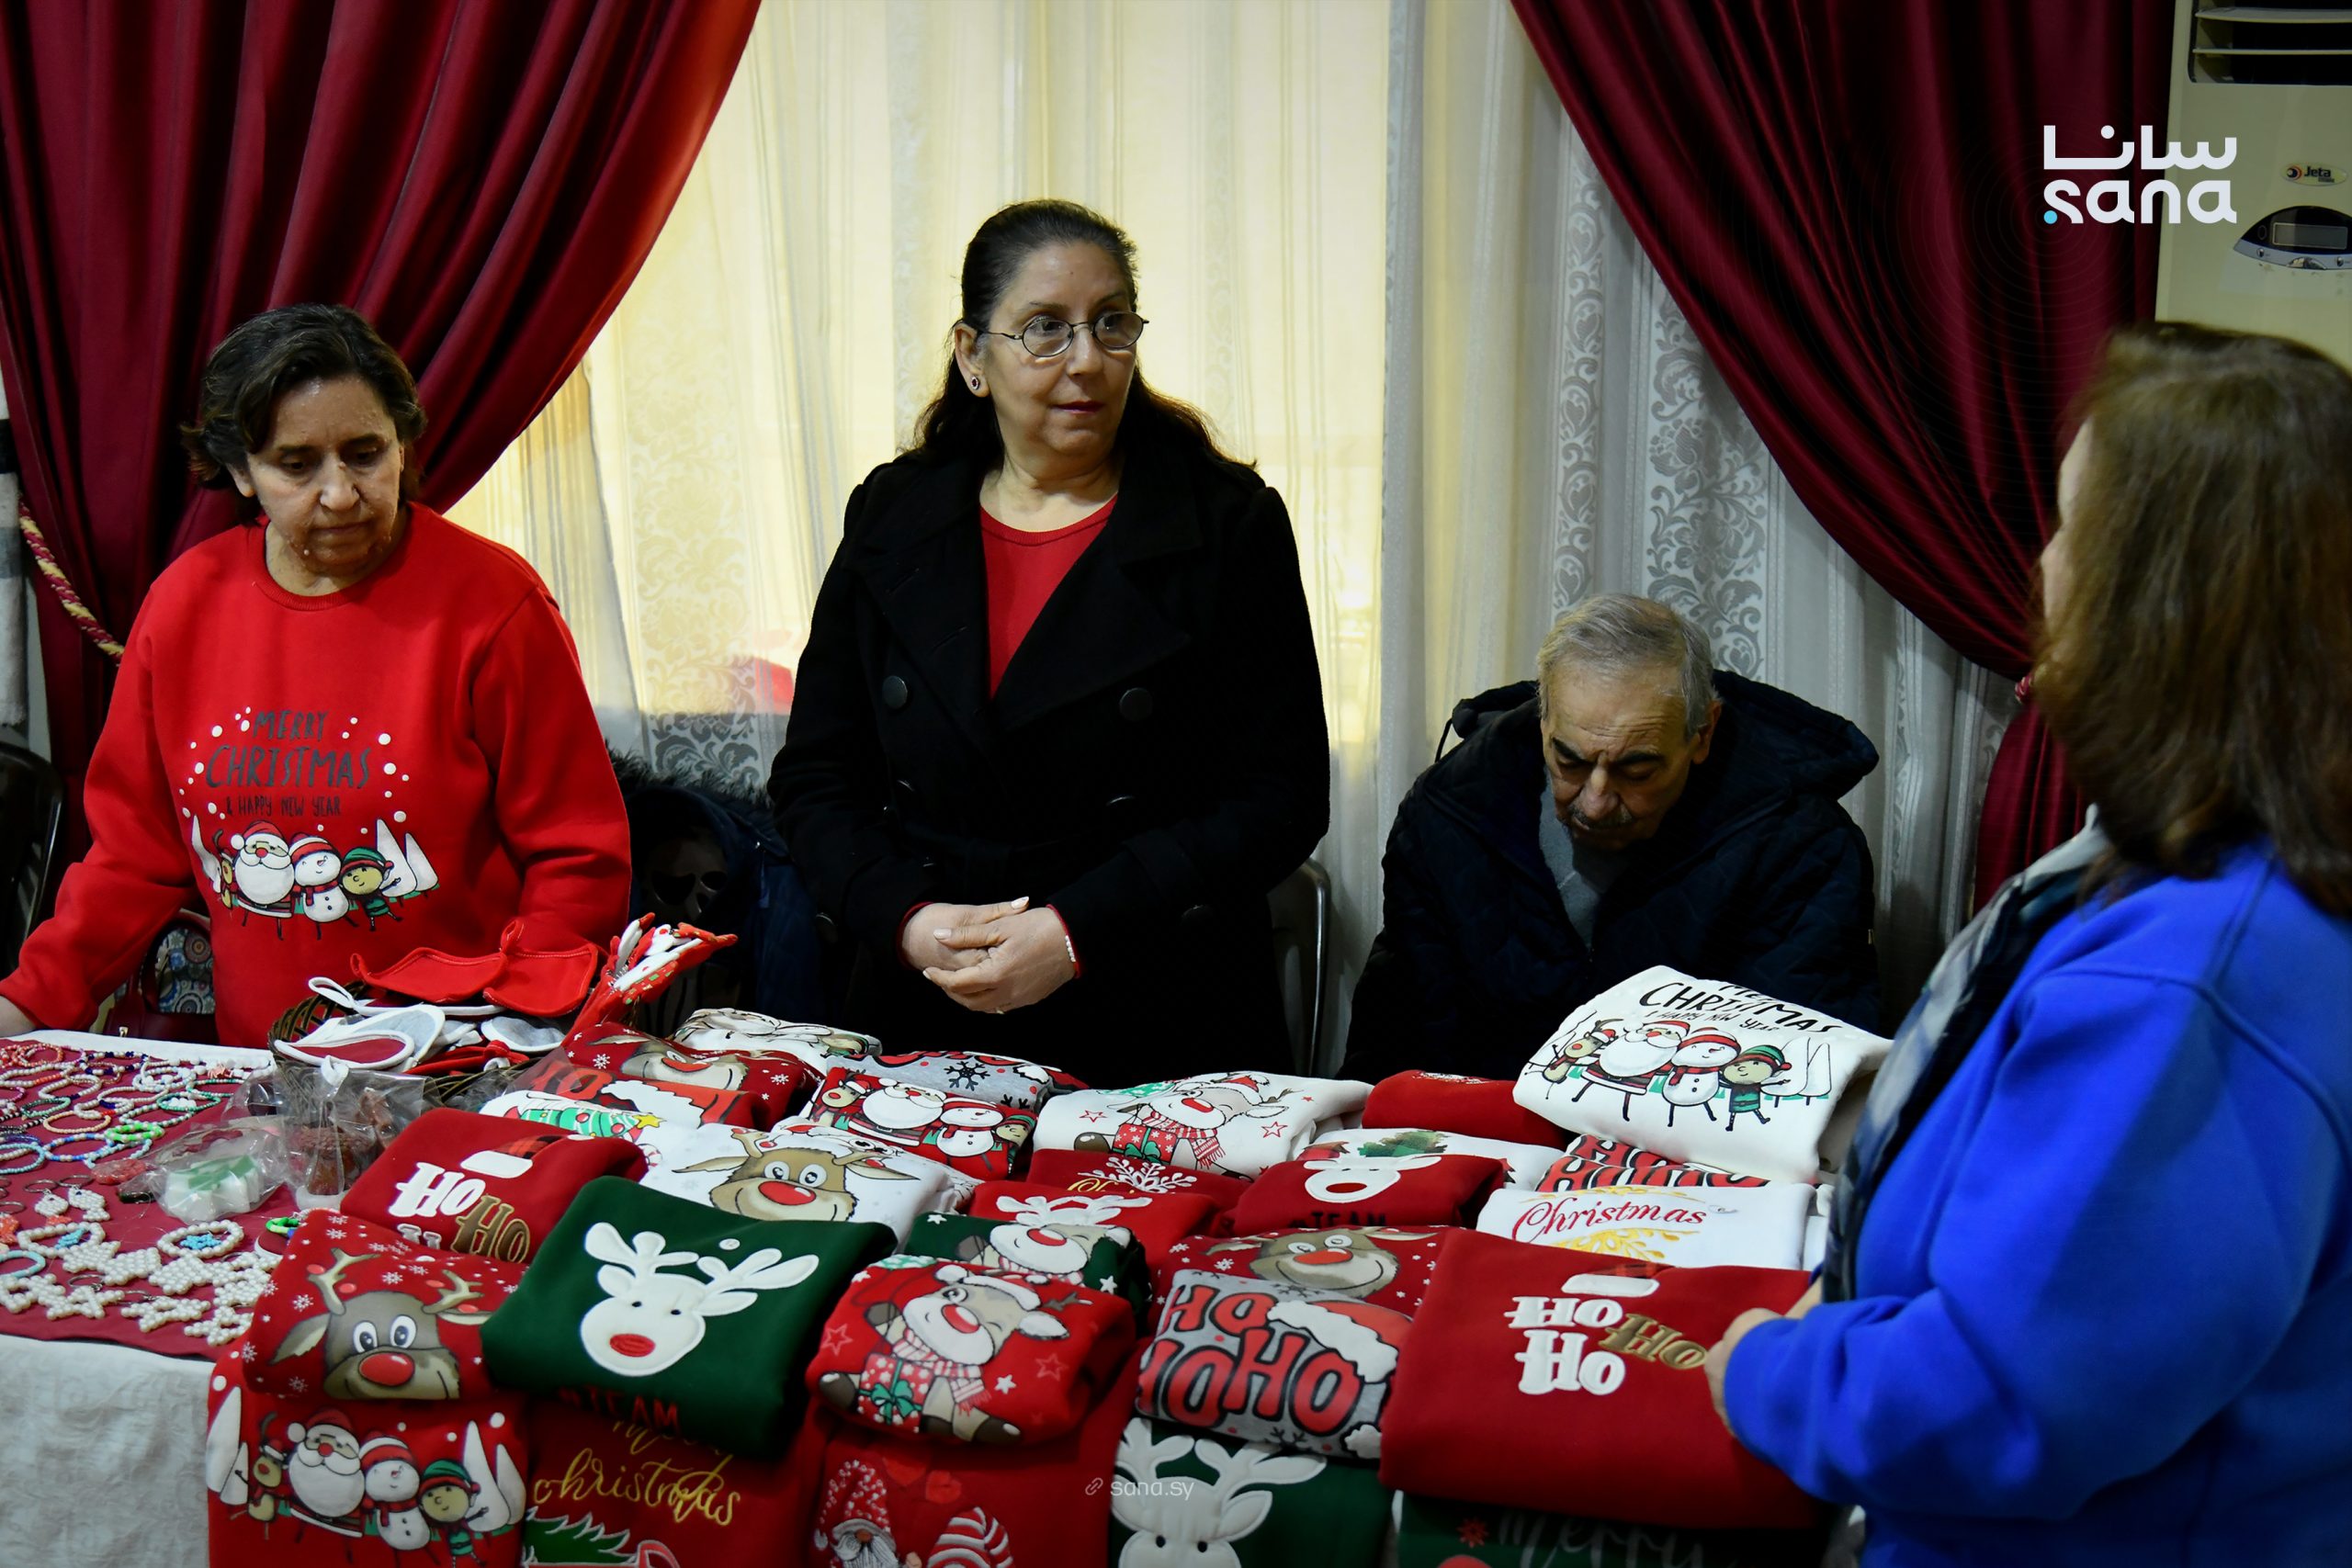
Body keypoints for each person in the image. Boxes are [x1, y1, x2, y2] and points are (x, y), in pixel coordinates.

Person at [1707, 323, 2352, 1563]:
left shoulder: (2197, 979)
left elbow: (2012, 1396)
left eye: (2067, 528)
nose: (2041, 565)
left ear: (2153, 595)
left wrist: (1773, 1374)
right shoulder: (2217, 864)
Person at [769, 199, 1329, 1087]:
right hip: (929, 1009)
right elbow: (815, 777)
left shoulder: (1226, 525)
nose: (1087, 360)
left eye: (1112, 324)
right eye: (1045, 329)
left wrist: (1075, 931)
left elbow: (1282, 798)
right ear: (972, 355)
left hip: (1156, 1014)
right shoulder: (893, 514)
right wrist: (909, 921)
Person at [0, 304, 629, 1046]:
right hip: (263, 1067)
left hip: (457, 1059)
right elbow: (131, 859)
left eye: (365, 453)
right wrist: (28, 1002)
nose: (340, 493)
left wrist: (516, 1029)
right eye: (297, 465)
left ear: (402, 445)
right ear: (241, 471)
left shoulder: (494, 605)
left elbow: (578, 858)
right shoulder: (182, 608)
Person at [1344, 594, 1878, 1082]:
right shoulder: (1448, 815)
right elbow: (1396, 1044)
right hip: (1483, 1133)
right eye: (1569, 761)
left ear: (1702, 734)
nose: (1596, 802)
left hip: (1686, 1142)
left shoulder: (1800, 846)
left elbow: (1795, 1077)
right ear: (1543, 720)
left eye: (1637, 770)